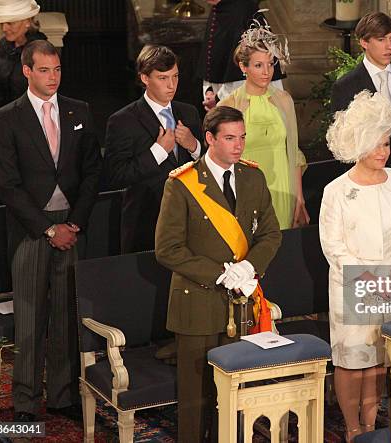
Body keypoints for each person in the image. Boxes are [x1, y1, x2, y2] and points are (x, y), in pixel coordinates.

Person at [0, 39, 101, 421]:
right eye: (43, 70)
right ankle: (25, 401)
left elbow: (91, 173)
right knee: (30, 317)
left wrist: (74, 223)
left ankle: (62, 395)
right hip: (30, 230)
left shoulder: (78, 111)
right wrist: (48, 230)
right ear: (26, 71)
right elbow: (7, 185)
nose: (52, 77)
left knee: (67, 315)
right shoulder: (7, 118)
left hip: (71, 225)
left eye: (56, 70)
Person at [155, 105, 281, 443]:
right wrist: (219, 274)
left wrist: (249, 267)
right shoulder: (183, 184)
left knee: (235, 393)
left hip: (241, 303)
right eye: (229, 138)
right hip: (197, 301)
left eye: (241, 137)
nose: (238, 145)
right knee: (197, 399)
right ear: (209, 138)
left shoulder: (253, 176)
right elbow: (167, 249)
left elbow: (270, 233)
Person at [320, 91, 391, 442]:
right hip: (353, 284)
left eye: (387, 143)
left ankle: (371, 425)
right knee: (353, 359)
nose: (384, 152)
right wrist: (367, 280)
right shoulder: (336, 190)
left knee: (380, 358)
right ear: (357, 145)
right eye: (377, 145)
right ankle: (352, 428)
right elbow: (333, 246)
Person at [104, 45, 203, 253]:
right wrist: (158, 151)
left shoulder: (190, 112)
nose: (171, 85)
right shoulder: (123, 120)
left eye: (175, 77)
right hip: (146, 224)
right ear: (145, 78)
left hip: (191, 222)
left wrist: (194, 146)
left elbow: (207, 166)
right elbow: (115, 176)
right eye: (163, 78)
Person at [219, 20, 308, 229]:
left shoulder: (284, 100)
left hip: (284, 190)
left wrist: (299, 198)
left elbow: (293, 152)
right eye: (258, 65)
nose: (266, 72)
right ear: (243, 67)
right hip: (246, 193)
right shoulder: (229, 105)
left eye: (270, 64)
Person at [330, 12, 391, 188]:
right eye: (381, 39)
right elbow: (342, 141)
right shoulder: (345, 87)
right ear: (364, 42)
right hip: (363, 182)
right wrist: (360, 182)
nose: (389, 46)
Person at [196, 0, 284, 106]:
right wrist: (209, 90)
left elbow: (244, 72)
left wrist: (218, 98)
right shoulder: (220, 8)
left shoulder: (243, 9)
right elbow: (212, 56)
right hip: (222, 98)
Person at [0, 0, 47, 110]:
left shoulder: (41, 50)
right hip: (7, 118)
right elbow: (0, 91)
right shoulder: (4, 45)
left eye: (10, 23)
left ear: (27, 21)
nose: (4, 28)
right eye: (2, 23)